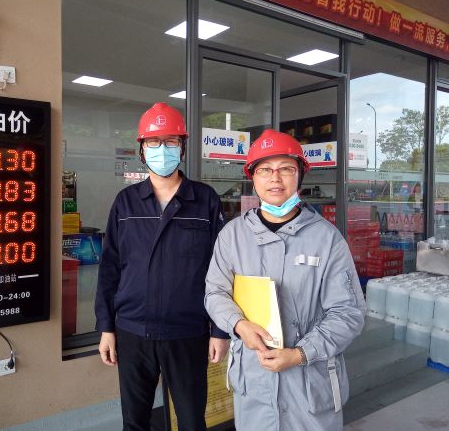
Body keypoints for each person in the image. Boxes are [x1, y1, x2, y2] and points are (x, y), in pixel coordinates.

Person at [204, 129, 366, 430]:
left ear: (300, 175)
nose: (275, 178)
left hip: (310, 385)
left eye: (286, 169)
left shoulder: (327, 239)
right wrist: (238, 325)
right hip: (254, 381)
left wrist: (300, 353)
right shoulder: (232, 236)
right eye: (265, 169)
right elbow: (215, 293)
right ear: (253, 177)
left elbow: (348, 313)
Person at [95, 102, 230, 431]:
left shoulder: (205, 200)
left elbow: (223, 269)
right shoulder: (126, 202)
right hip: (132, 331)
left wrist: (220, 330)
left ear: (182, 147)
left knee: (191, 421)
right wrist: (106, 326)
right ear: (142, 149)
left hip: (187, 332)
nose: (162, 149)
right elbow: (110, 268)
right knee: (135, 421)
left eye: (171, 141)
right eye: (154, 142)